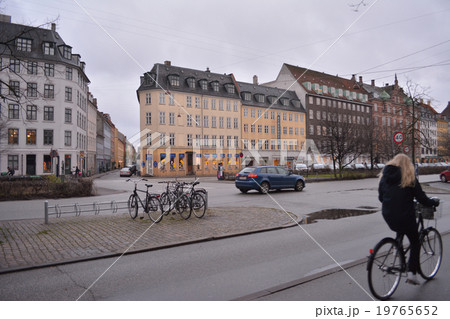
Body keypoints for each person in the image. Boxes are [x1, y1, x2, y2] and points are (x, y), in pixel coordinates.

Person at [378, 154, 439, 285]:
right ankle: (412, 273)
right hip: (405, 216)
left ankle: (397, 248)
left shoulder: (385, 177)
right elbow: (422, 198)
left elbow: (381, 197)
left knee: (400, 228)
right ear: (407, 165)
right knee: (415, 242)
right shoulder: (409, 177)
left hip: (388, 215)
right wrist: (433, 203)